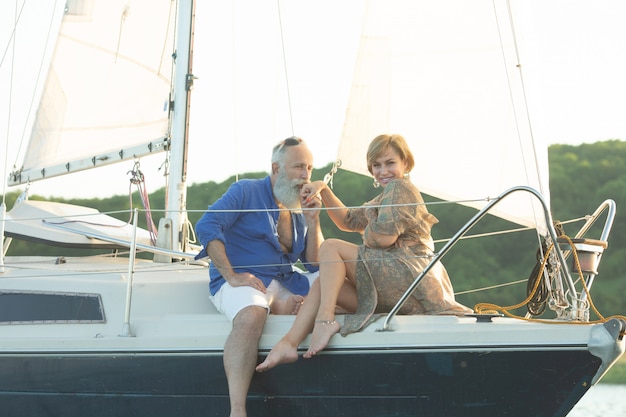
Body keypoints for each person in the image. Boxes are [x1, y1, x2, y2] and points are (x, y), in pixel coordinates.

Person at [256, 133, 472, 372]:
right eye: (376, 165)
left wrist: (365, 235)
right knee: (324, 282)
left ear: (405, 163)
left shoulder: (401, 188)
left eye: (390, 163)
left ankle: (324, 320)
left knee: (330, 248)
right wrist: (323, 189)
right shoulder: (385, 196)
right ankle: (289, 343)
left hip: (408, 277)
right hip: (397, 286)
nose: (383, 171)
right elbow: (348, 220)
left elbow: (384, 237)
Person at [195, 136, 324, 417]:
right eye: (298, 167)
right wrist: (231, 275)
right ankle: (238, 410)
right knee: (253, 313)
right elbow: (206, 224)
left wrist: (314, 222)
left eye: (310, 168)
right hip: (243, 281)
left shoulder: (297, 205)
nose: (305, 176)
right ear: (276, 169)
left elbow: (313, 263)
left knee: (334, 281)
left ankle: (283, 306)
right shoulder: (245, 191)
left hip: (286, 280)